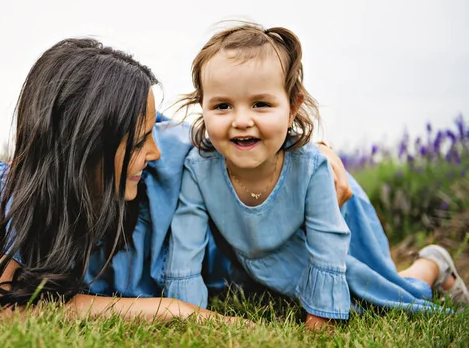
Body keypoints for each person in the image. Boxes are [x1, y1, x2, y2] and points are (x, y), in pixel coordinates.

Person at [0, 36, 353, 323]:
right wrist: (173, 311)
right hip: (251, 265)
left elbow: (242, 133)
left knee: (375, 280)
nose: (155, 151)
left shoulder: (172, 155)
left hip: (301, 210)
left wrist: (314, 147)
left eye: (153, 132)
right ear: (86, 146)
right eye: (141, 141)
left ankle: (422, 265)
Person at [164, 23, 469, 330]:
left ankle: (432, 264)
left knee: (378, 294)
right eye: (222, 106)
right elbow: (185, 246)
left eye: (261, 104)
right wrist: (188, 312)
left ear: (292, 107)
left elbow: (328, 242)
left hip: (338, 231)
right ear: (202, 109)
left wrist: (323, 314)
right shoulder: (199, 169)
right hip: (264, 257)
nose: (242, 120)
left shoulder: (309, 167)